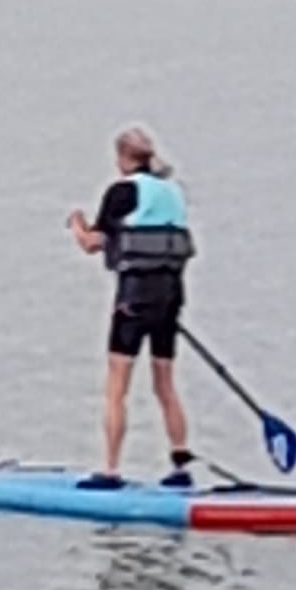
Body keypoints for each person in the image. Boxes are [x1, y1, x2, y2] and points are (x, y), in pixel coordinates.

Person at [67, 126, 196, 490]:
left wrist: (77, 225)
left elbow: (93, 243)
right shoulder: (173, 192)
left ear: (123, 158)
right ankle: (180, 463)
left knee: (116, 388)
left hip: (134, 298)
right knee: (165, 384)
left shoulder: (123, 191)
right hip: (171, 296)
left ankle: (110, 470)